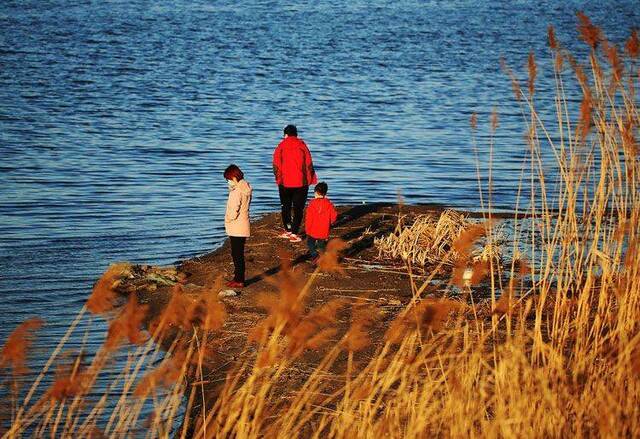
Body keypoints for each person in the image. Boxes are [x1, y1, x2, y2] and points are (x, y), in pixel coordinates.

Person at [272, 124, 317, 243]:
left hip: (284, 183)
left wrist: (278, 179)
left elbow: (276, 165)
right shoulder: (302, 145)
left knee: (285, 206)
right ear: (296, 134)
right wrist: (310, 179)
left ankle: (288, 230)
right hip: (301, 183)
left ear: (285, 135)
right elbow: (309, 164)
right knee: (298, 209)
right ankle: (294, 233)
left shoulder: (280, 146)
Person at [223, 164, 252, 288]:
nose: (228, 182)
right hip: (243, 224)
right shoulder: (245, 188)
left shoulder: (236, 192)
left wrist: (229, 219)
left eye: (228, 179)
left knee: (236, 254)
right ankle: (238, 277)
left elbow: (233, 211)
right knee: (238, 253)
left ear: (234, 178)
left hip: (236, 227)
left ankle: (239, 279)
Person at [305, 182, 338, 262]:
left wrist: (307, 229)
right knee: (321, 245)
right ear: (325, 193)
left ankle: (315, 255)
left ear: (315, 192)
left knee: (310, 243)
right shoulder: (329, 204)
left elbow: (309, 218)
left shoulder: (312, 203)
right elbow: (334, 216)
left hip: (313, 229)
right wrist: (331, 222)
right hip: (324, 230)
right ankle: (323, 256)